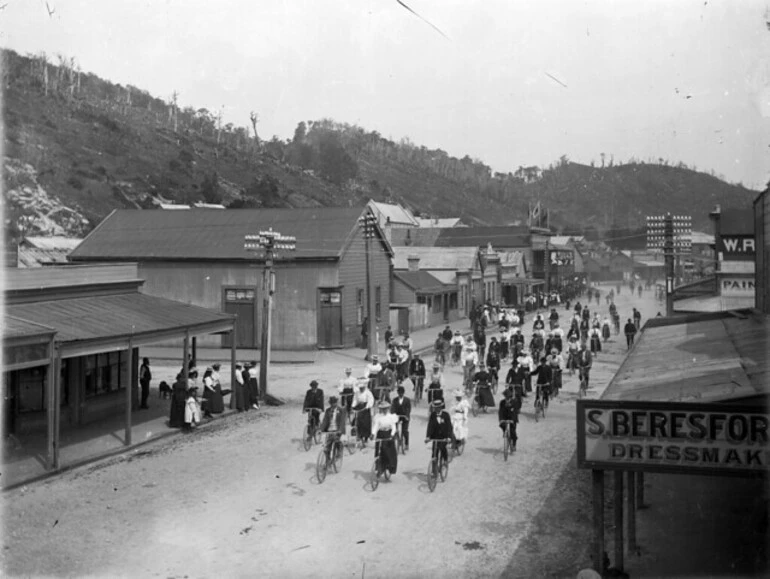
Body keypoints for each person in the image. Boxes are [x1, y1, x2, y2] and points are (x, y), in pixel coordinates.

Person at [372, 400, 399, 476]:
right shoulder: (378, 417)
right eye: (382, 409)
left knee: (387, 450)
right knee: (378, 450)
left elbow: (393, 427)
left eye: (385, 408)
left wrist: (392, 435)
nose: (384, 410)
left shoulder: (391, 417)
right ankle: (379, 467)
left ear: (388, 409)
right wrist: (373, 433)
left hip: (388, 434)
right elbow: (376, 426)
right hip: (380, 434)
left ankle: (388, 466)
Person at [425, 399, 454, 466]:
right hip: (435, 437)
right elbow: (430, 426)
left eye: (437, 408)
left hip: (444, 437)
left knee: (442, 447)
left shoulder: (446, 415)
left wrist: (449, 437)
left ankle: (445, 459)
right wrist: (428, 437)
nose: (436, 409)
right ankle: (433, 469)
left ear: (441, 407)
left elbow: (449, 427)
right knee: (434, 451)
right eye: (435, 408)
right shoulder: (432, 415)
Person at [351, 380, 375, 445]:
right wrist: (353, 405)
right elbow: (355, 400)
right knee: (359, 422)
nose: (361, 389)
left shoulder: (368, 392)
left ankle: (366, 437)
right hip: (359, 407)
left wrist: (367, 406)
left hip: (366, 408)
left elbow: (371, 400)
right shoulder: (357, 393)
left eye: (362, 388)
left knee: (366, 423)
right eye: (360, 388)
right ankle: (360, 436)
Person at [390, 385, 411, 451]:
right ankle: (394, 442)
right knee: (394, 429)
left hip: (405, 417)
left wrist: (407, 416)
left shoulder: (407, 400)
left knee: (405, 430)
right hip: (397, 416)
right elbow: (392, 409)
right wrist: (393, 415)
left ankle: (406, 443)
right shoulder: (395, 400)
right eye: (399, 393)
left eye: (401, 393)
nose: (400, 394)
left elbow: (408, 409)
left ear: (403, 393)